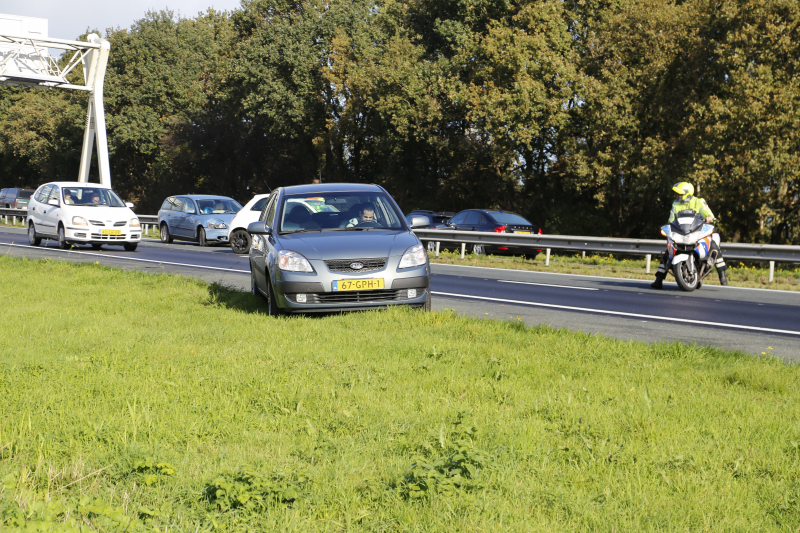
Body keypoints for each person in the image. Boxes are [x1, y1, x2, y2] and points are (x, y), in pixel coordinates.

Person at [651, 182, 728, 289]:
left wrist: (709, 217)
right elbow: (671, 219)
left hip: (697, 230)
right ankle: (658, 280)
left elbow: (707, 212)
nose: (677, 196)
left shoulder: (698, 201)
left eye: (680, 194)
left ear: (687, 193)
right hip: (682, 232)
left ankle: (722, 274)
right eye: (677, 194)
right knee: (668, 252)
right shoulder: (676, 204)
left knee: (713, 245)